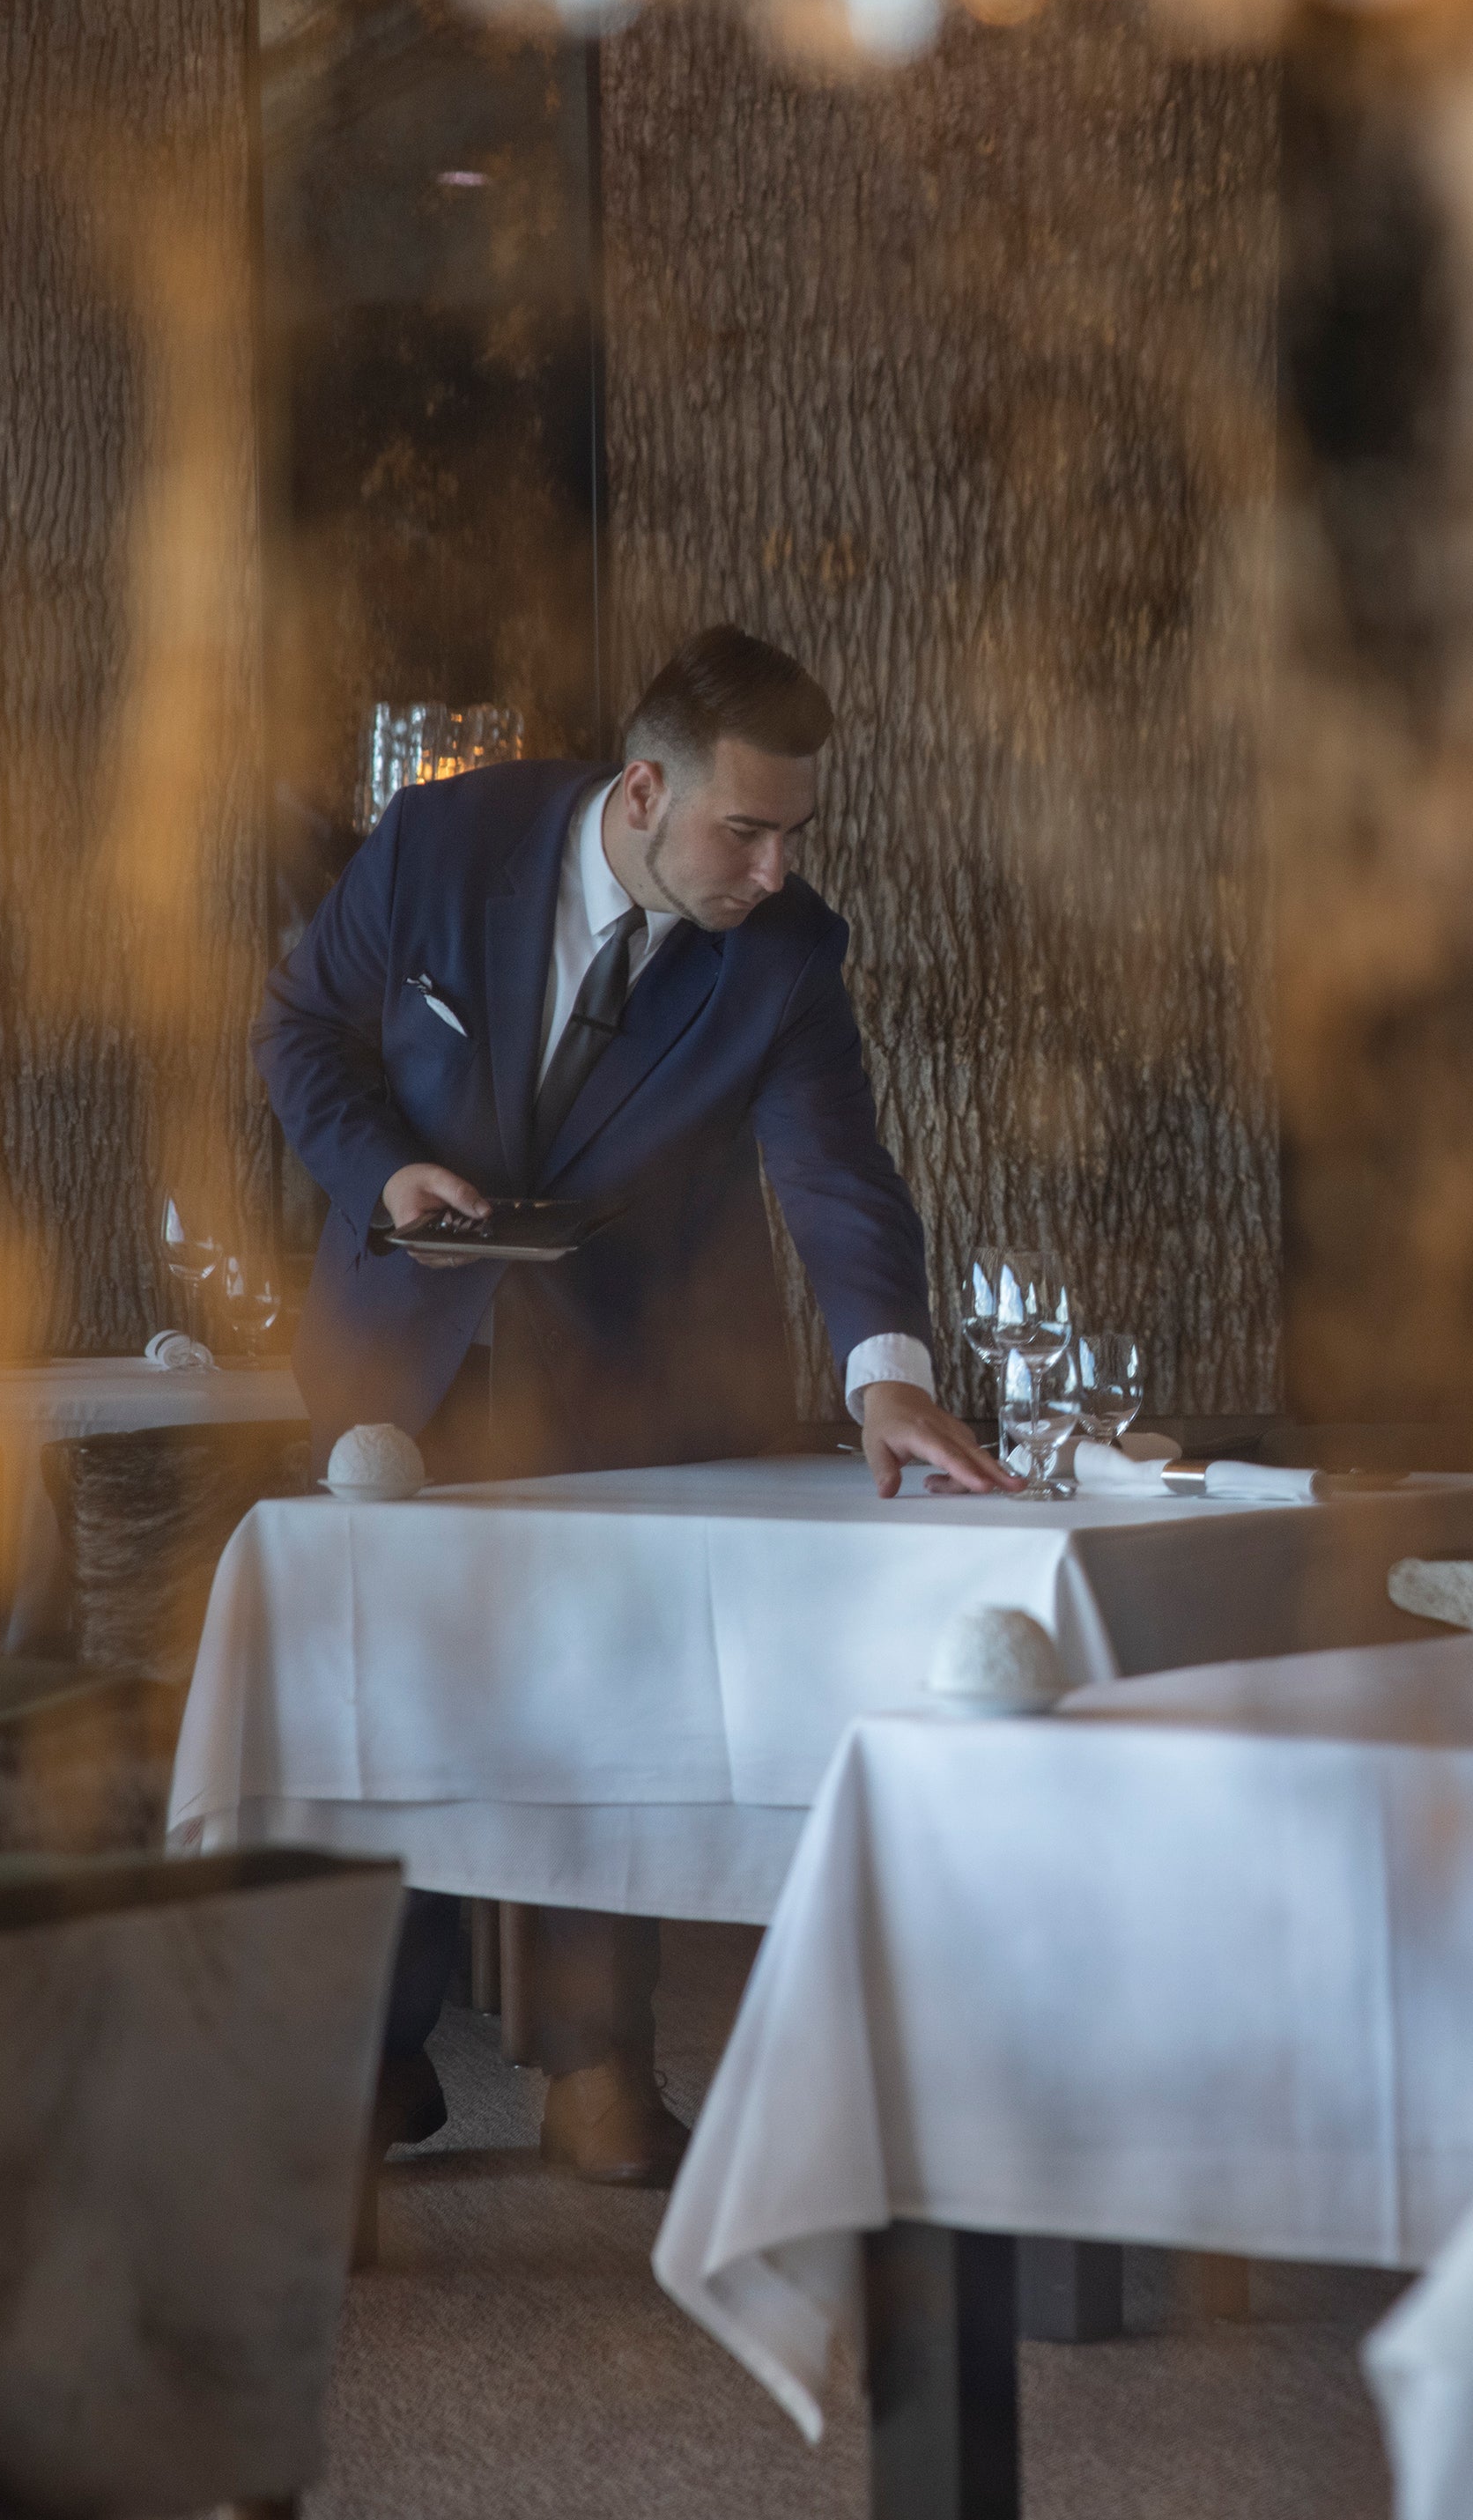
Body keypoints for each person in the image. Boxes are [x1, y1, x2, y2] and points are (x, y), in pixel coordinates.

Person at [257, 624, 1005, 2183]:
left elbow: (837, 1170)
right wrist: (381, 1168)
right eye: (748, 829)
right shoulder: (441, 841)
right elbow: (303, 1031)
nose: (778, 866)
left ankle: (600, 2071)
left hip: (637, 1373)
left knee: (615, 1710)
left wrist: (891, 1375)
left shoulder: (786, 953)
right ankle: (378, 2059)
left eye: (797, 829)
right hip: (408, 1357)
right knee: (390, 1704)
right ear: (646, 788)